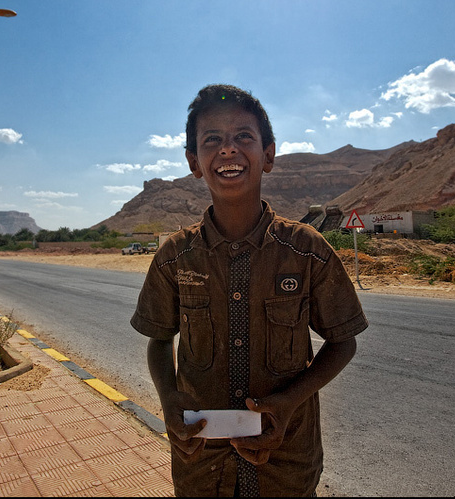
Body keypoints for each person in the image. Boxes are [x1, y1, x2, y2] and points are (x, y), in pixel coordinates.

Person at [130, 84, 368, 497]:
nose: (227, 150)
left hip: (287, 467)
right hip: (202, 465)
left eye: (243, 137)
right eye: (212, 140)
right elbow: (159, 340)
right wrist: (168, 398)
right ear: (194, 161)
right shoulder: (174, 256)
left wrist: (291, 400)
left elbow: (342, 342)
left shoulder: (307, 250)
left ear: (268, 155)